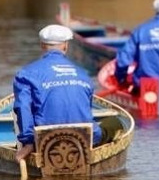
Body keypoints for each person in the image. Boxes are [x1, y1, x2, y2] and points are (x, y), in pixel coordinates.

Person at [13, 24, 102, 164]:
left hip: (44, 140)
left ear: (42, 45)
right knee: (106, 128)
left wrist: (29, 142)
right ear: (66, 46)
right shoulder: (84, 74)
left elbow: (23, 108)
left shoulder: (26, 74)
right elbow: (86, 109)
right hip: (85, 138)